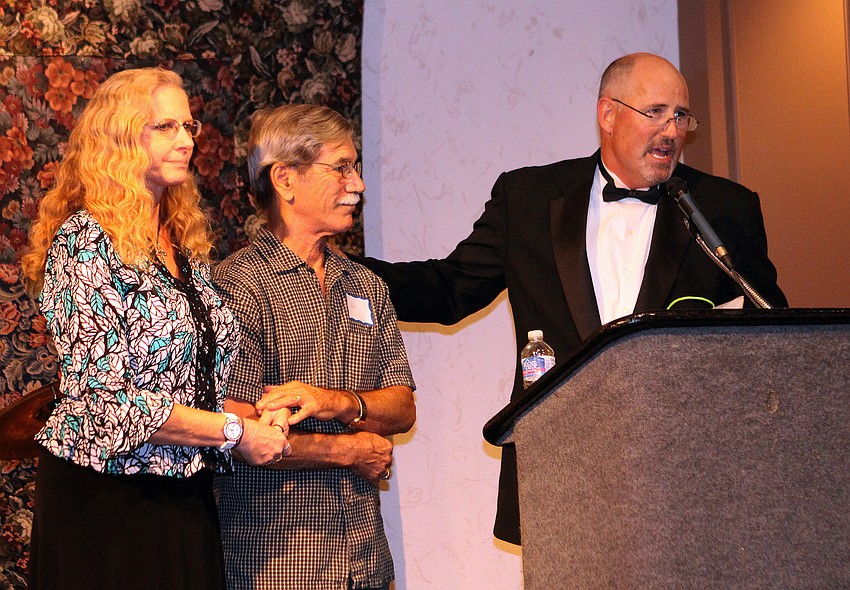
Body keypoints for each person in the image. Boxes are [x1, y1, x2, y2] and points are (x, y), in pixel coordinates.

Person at [355, 52, 788, 545]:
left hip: (688, 473)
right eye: (657, 112)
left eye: (681, 116)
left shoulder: (723, 209)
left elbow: (768, 331)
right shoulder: (529, 198)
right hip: (561, 463)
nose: (672, 130)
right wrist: (343, 275)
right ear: (608, 114)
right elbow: (451, 288)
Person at [20, 67, 291, 590]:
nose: (186, 141)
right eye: (165, 127)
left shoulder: (180, 243)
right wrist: (235, 433)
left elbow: (193, 382)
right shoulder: (85, 240)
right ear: (120, 136)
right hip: (106, 506)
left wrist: (261, 416)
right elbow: (108, 401)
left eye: (189, 127)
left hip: (184, 494)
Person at [212, 104, 416, 590]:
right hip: (279, 564)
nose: (358, 184)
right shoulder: (238, 286)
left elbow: (403, 407)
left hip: (366, 561)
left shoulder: (365, 284)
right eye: (341, 167)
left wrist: (338, 402)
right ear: (285, 179)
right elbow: (234, 429)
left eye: (357, 167)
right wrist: (348, 451)